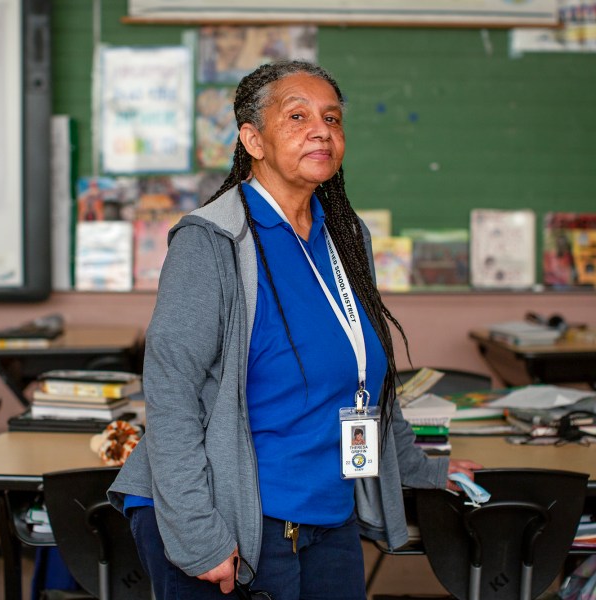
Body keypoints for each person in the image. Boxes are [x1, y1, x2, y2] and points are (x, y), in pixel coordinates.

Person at [108, 60, 481, 600]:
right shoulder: (211, 242)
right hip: (230, 517)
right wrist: (197, 534)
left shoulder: (346, 238)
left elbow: (368, 379)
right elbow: (171, 394)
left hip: (327, 515)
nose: (321, 130)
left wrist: (421, 468)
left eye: (332, 118)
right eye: (298, 116)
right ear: (252, 140)